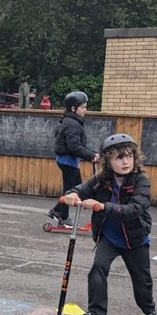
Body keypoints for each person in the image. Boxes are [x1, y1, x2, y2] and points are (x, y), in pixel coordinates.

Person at [60, 133, 157, 315]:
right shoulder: (102, 179)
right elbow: (81, 189)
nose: (125, 161)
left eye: (129, 156)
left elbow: (134, 210)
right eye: (119, 157)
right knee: (98, 268)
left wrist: (102, 206)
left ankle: (149, 310)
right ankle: (97, 314)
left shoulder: (140, 181)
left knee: (142, 280)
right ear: (107, 161)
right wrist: (72, 195)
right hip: (110, 237)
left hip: (135, 239)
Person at [47, 90, 99, 228]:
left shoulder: (71, 121)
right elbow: (74, 147)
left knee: (77, 188)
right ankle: (61, 214)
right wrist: (91, 156)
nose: (85, 110)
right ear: (73, 108)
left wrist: (92, 153)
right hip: (68, 161)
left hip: (69, 160)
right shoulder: (72, 124)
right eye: (83, 107)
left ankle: (58, 212)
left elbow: (78, 145)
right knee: (71, 190)